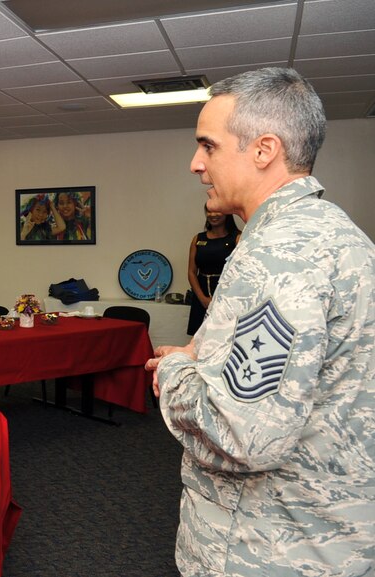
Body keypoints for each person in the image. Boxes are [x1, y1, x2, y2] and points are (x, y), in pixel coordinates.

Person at [144, 68, 374, 576]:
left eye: (208, 146)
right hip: (334, 536)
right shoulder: (341, 236)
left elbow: (241, 437)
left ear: (264, 150)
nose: (195, 164)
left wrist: (175, 373)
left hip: (266, 547)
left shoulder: (275, 255)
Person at [186, 207, 241, 334]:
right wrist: (203, 299)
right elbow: (191, 272)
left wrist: (220, 299)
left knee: (223, 334)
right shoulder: (198, 239)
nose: (213, 215)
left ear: (227, 213)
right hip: (201, 295)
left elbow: (241, 272)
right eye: (209, 211)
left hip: (226, 296)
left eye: (217, 211)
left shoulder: (237, 238)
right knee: (199, 337)